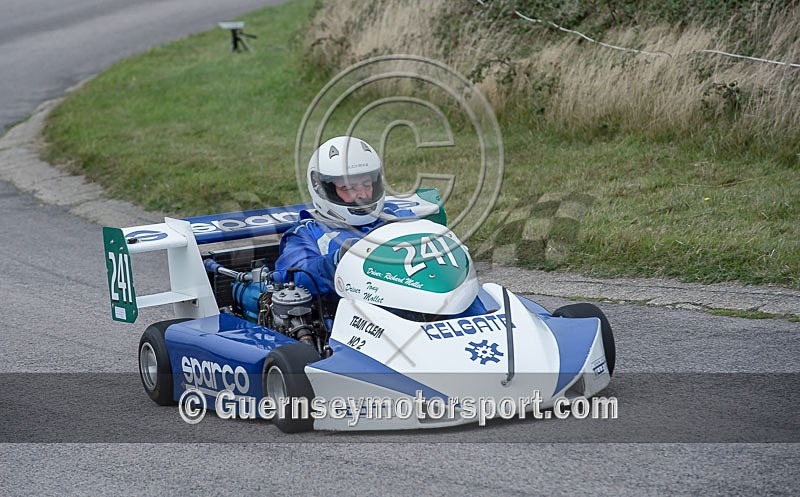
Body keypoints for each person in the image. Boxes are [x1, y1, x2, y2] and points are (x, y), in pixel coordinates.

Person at [271, 136, 411, 300]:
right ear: (323, 190)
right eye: (349, 188)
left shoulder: (398, 217)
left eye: (367, 184)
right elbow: (293, 279)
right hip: (352, 316)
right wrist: (338, 260)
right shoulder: (307, 234)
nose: (362, 195)